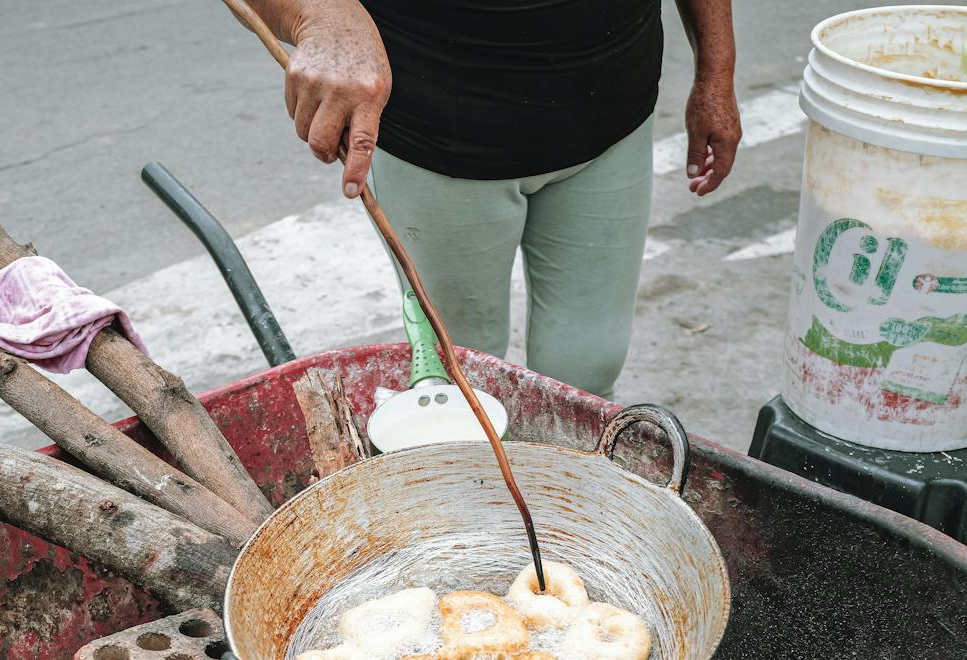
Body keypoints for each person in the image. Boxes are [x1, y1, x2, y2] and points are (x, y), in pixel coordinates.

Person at [248, 0, 741, 397]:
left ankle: (566, 505)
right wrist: (319, 11)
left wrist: (716, 76)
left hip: (613, 120)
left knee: (588, 368)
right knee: (459, 375)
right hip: (441, 142)